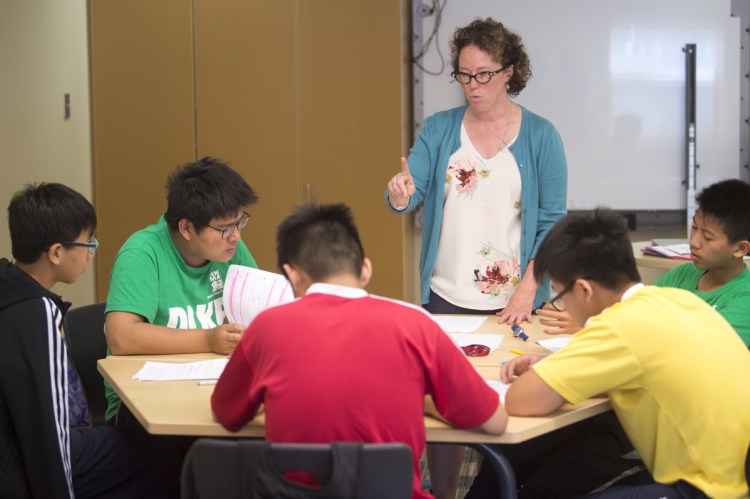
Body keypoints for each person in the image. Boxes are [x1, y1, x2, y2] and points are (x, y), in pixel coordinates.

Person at [211, 203, 507, 499]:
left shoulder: (266, 327)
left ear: (293, 276)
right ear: (365, 269)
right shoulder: (415, 324)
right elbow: (494, 421)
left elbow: (226, 413)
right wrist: (426, 402)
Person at [384, 17, 566, 496]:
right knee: (445, 418)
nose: (473, 85)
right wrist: (400, 194)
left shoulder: (542, 136)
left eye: (483, 74)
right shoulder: (442, 129)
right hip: (445, 296)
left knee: (511, 410)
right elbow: (409, 189)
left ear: (509, 71)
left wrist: (529, 288)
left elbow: (553, 223)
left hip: (515, 304)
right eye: (463, 75)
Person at [499, 209, 750, 497]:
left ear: (583, 289)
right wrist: (556, 364)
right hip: (736, 469)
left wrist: (552, 370)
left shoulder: (618, 326)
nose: (564, 305)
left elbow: (520, 401)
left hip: (709, 488)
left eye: (559, 294)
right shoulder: (676, 299)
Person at [0, 183, 181, 498]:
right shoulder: (38, 314)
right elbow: (50, 433)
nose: (92, 253)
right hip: (23, 460)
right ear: (57, 252)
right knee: (165, 456)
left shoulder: (8, 285)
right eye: (88, 243)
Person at [104, 156, 258, 422]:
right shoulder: (142, 254)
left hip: (213, 387)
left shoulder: (230, 250)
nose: (236, 236)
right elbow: (121, 337)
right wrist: (208, 339)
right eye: (225, 228)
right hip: (143, 403)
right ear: (186, 228)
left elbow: (261, 307)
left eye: (240, 222)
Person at [537, 178, 750, 346]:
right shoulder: (682, 274)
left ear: (740, 248)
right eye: (694, 227)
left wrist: (592, 324)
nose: (694, 242)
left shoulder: (745, 296)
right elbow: (635, 313)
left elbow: (695, 345)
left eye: (708, 237)